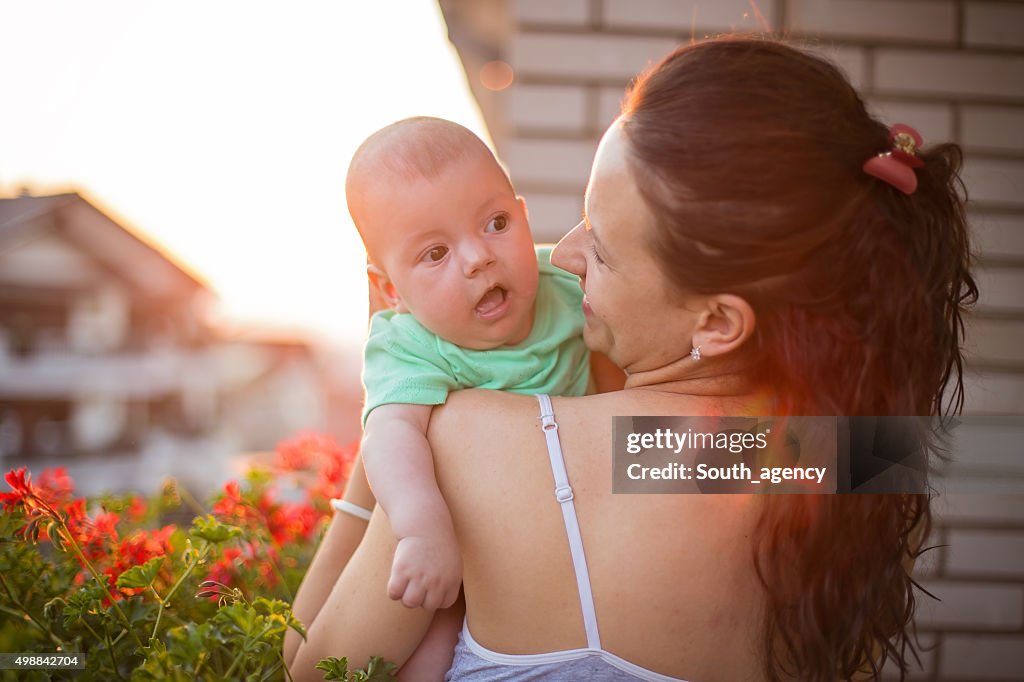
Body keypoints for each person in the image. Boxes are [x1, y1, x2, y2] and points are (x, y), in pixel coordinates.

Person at [286, 36, 976, 681]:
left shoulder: (475, 440)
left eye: (604, 247)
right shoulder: (860, 459)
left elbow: (312, 666)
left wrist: (391, 405)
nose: (570, 254)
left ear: (716, 321)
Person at [343, 117, 620, 612]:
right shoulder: (409, 343)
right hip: (465, 544)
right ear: (390, 291)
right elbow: (389, 434)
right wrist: (422, 529)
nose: (477, 258)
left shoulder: (562, 285)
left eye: (496, 224)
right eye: (435, 253)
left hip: (555, 540)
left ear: (524, 215)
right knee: (431, 635)